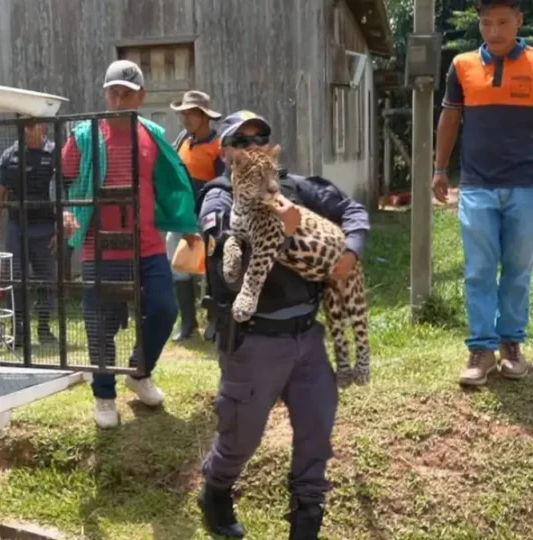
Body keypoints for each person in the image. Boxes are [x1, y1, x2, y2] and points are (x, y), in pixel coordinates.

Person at [195, 111, 369, 539]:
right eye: (243, 138)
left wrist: (350, 251)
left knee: (316, 430)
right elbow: (225, 271)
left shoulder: (297, 187)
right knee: (241, 438)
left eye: (262, 137)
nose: (253, 145)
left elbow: (352, 211)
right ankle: (215, 489)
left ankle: (306, 521)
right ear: (226, 150)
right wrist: (282, 234)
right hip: (256, 341)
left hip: (307, 336)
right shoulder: (219, 198)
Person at [59, 59, 199, 428]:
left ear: (141, 97)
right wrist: (66, 212)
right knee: (99, 324)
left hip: (148, 245)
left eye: (127, 93)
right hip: (99, 247)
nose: (119, 100)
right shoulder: (84, 135)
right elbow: (60, 180)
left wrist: (186, 226)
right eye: (113, 92)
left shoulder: (152, 134)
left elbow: (170, 185)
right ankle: (104, 396)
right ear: (104, 93)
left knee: (165, 310)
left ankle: (139, 371)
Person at [433, 0, 533, 387]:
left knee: (518, 270)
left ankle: (511, 345)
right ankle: (481, 350)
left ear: (519, 21)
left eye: (503, 22)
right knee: (478, 270)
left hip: (526, 185)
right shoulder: (462, 66)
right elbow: (450, 117)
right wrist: (440, 169)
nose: (494, 31)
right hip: (476, 185)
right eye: (486, 23)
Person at [0, 117, 58, 347]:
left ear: (43, 127)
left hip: (45, 228)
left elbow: (65, 189)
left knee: (46, 281)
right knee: (16, 280)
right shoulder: (11, 155)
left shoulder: (54, 153)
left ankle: (44, 329)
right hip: (17, 227)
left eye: (30, 126)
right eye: (23, 126)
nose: (26, 131)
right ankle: (19, 332)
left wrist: (62, 225)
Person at [166, 90, 225, 342]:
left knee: (212, 270)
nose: (185, 118)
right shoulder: (182, 140)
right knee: (177, 265)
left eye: (191, 113)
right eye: (183, 113)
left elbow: (223, 185)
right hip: (181, 215)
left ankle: (214, 321)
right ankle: (187, 322)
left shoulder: (218, 146)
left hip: (206, 217)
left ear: (204, 116)